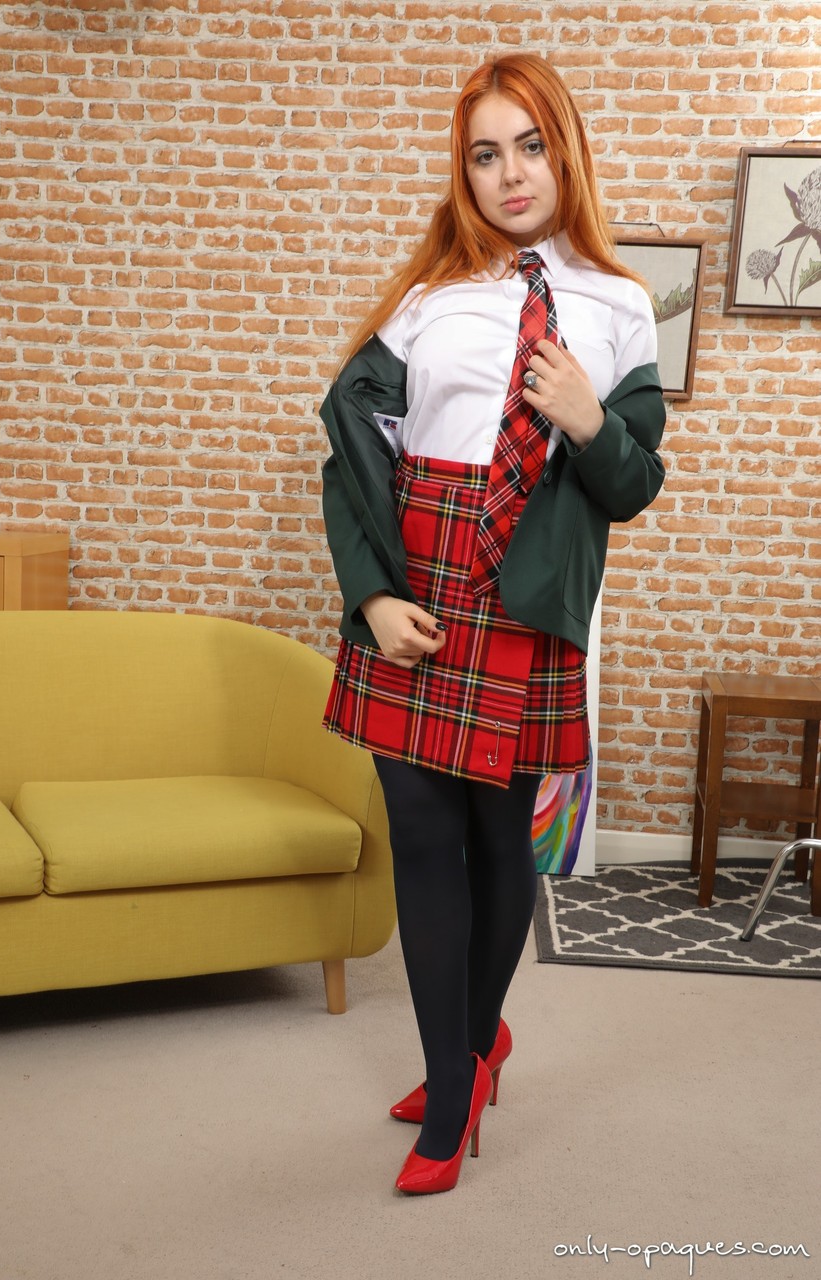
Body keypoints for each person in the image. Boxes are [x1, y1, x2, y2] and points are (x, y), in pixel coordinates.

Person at [318, 51, 666, 1195]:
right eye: (483, 154)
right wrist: (373, 596)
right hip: (414, 588)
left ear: (564, 152)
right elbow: (350, 455)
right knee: (422, 840)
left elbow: (633, 484)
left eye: (529, 145)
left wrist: (588, 420)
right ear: (461, 174)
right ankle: (450, 1084)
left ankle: (471, 1048)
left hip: (521, 591)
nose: (509, 173)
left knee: (498, 840)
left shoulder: (619, 307)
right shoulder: (428, 300)